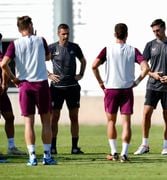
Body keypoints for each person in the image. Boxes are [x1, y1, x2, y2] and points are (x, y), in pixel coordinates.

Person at [0, 16, 57, 166]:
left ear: (19, 29)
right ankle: (47, 156)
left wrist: (13, 78)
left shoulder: (14, 44)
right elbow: (48, 57)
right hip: (41, 84)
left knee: (28, 123)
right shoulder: (41, 40)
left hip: (24, 85)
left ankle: (32, 157)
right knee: (46, 122)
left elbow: (3, 64)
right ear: (31, 25)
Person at [92, 23, 149, 162]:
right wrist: (136, 82)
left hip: (111, 89)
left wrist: (101, 83)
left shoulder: (107, 49)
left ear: (114, 34)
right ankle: (124, 153)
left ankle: (114, 151)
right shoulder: (133, 50)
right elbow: (146, 68)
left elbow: (94, 66)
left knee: (111, 121)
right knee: (126, 123)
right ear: (127, 34)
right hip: (126, 89)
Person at [134, 19, 167, 156]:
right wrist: (152, 74)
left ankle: (166, 146)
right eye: (154, 31)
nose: (156, 33)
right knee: (146, 114)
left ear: (164, 28)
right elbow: (143, 65)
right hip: (152, 86)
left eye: (158, 30)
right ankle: (144, 144)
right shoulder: (150, 45)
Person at [47, 24, 86, 155]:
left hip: (72, 88)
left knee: (74, 117)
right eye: (63, 34)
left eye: (67, 34)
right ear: (58, 34)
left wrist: (81, 74)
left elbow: (83, 60)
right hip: (56, 89)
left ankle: (75, 147)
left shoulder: (74, 47)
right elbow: (40, 61)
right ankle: (53, 147)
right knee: (54, 118)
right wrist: (49, 75)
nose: (66, 36)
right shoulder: (52, 48)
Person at [0, 33, 27, 156]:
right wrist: (7, 82)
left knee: (10, 117)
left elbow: (3, 67)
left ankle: (11, 147)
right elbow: (4, 67)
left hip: (1, 92)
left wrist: (4, 84)